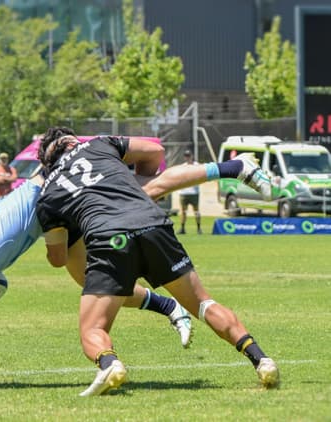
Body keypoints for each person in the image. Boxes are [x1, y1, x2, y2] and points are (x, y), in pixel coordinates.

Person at [35, 127, 279, 397]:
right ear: (72, 142)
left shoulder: (48, 195)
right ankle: (261, 360)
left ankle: (110, 364)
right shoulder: (100, 145)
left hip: (110, 238)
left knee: (92, 329)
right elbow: (156, 151)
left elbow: (58, 259)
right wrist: (139, 184)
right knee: (203, 304)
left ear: (47, 162)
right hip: (152, 223)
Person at [177, 150, 200, 234]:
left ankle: (198, 228)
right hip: (184, 192)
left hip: (194, 193)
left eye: (189, 156)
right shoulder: (183, 167)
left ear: (192, 156)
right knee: (183, 211)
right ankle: (182, 228)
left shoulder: (197, 166)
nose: (187, 158)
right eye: (186, 156)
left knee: (196, 211)